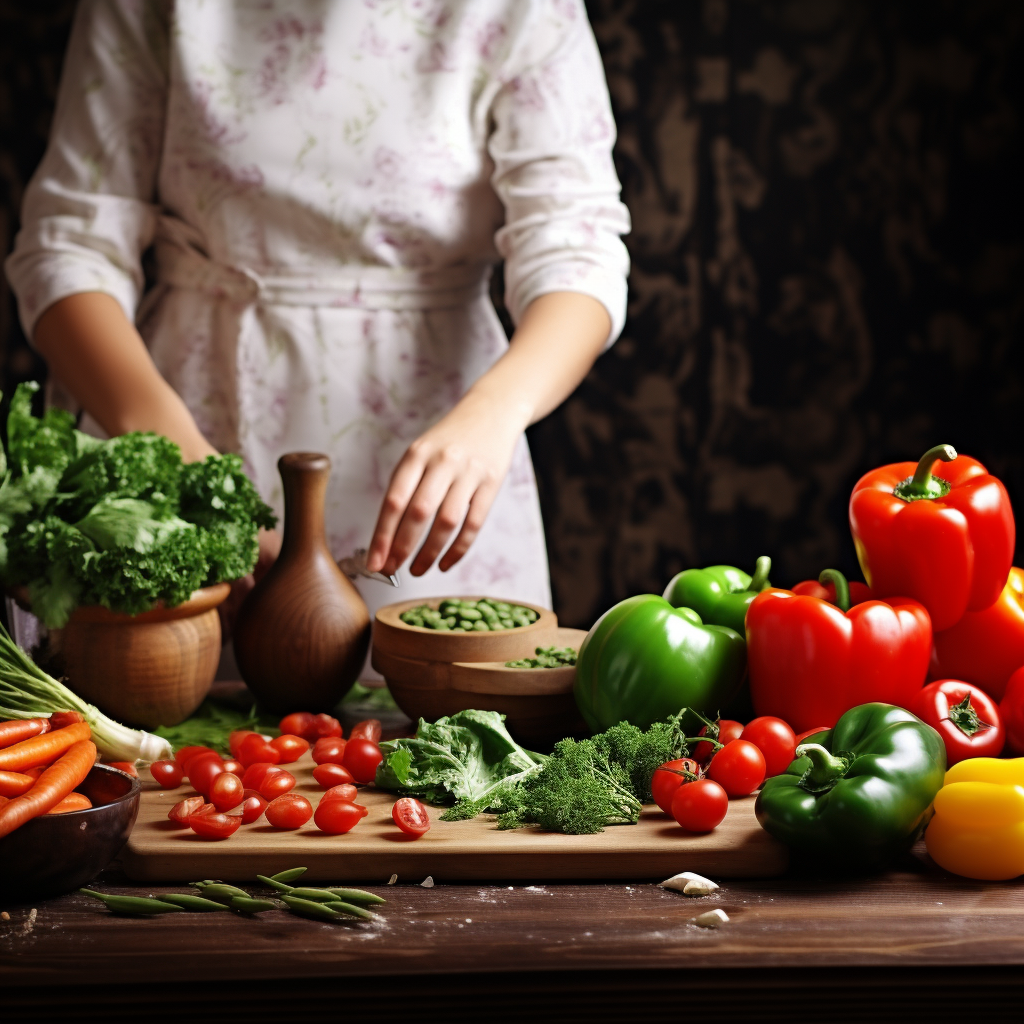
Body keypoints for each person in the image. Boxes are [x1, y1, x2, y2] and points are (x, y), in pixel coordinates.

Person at [5, 0, 630, 624]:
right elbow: (70, 244)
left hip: (438, 464)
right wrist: (176, 454)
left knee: (434, 715)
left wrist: (495, 414)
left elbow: (577, 248)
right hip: (180, 418)